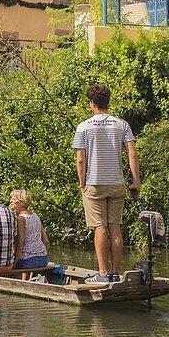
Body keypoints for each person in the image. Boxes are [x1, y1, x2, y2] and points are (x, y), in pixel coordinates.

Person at [72, 83, 140, 284]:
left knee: (99, 228)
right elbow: (132, 153)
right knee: (115, 228)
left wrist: (82, 182)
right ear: (107, 102)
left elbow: (80, 159)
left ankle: (102, 274)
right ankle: (115, 272)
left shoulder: (83, 127)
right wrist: (136, 181)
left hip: (94, 183)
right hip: (117, 183)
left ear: (92, 103)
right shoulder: (122, 125)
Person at [10, 189, 50, 271]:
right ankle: (25, 281)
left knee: (3, 264)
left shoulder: (20, 219)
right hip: (43, 259)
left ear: (20, 202)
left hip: (27, 261)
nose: (10, 201)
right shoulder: (35, 215)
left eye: (13, 199)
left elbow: (20, 245)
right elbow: (46, 241)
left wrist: (13, 265)